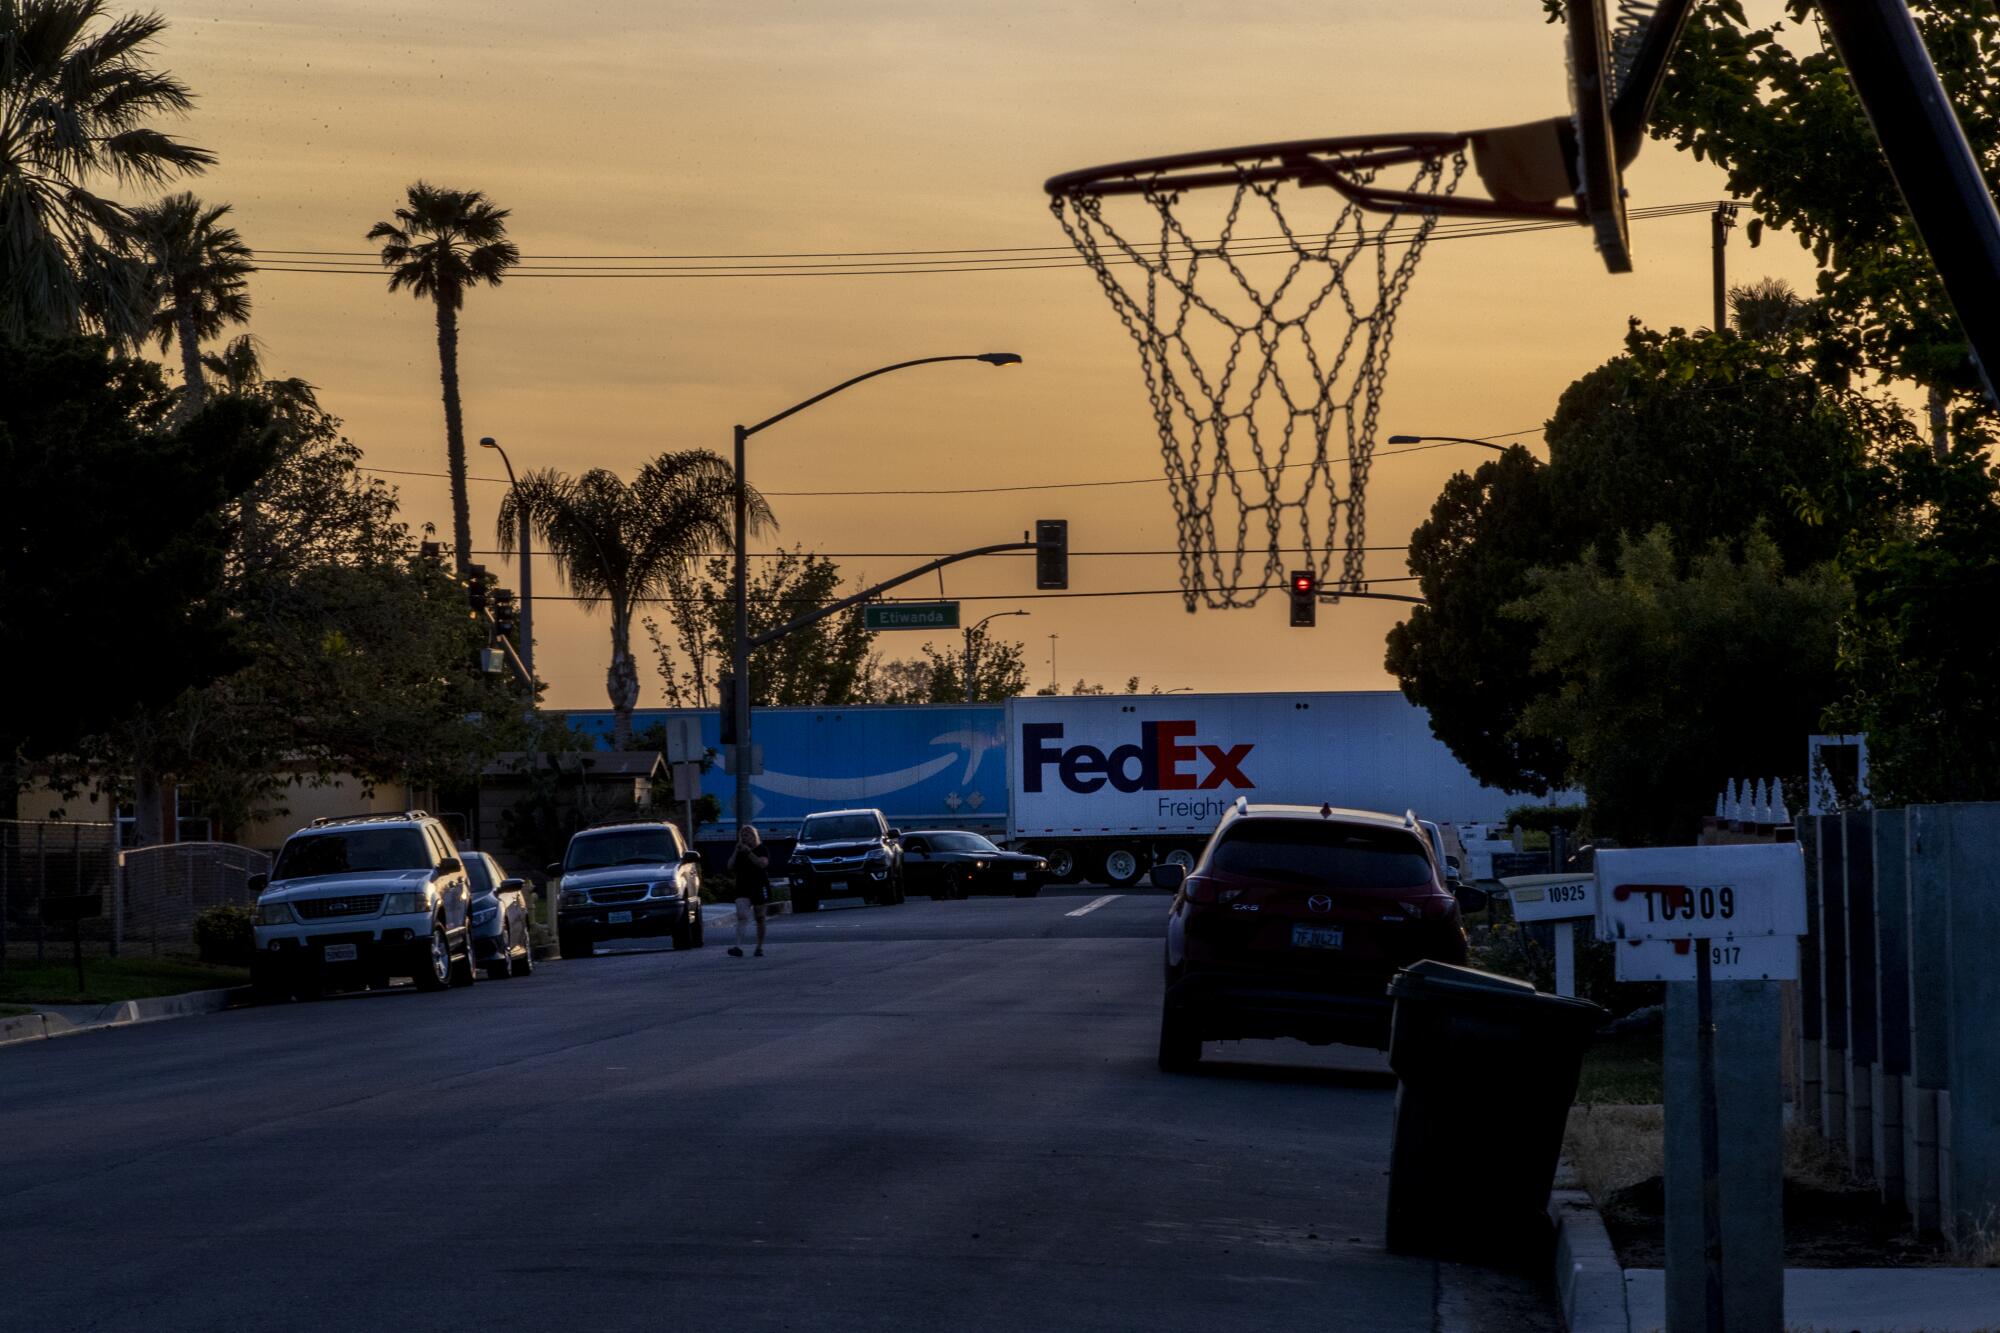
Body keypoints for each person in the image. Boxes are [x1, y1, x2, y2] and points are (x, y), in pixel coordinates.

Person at [727, 825, 771, 957]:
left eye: (748, 835)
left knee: (760, 917)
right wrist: (736, 851)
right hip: (743, 886)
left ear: (754, 836)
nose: (745, 838)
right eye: (743, 835)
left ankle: (759, 947)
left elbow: (762, 863)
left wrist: (749, 852)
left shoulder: (761, 849)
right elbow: (729, 866)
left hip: (759, 886)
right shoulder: (739, 851)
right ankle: (738, 946)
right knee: (742, 916)